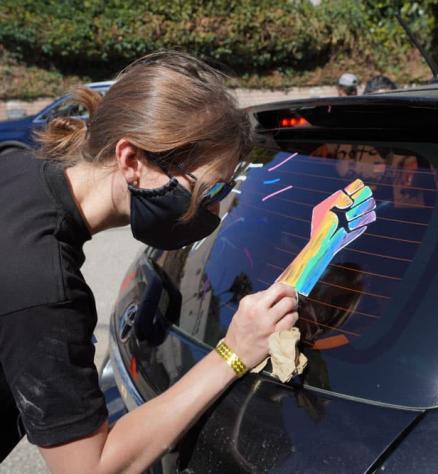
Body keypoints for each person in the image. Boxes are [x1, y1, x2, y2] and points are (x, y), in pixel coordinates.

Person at [0, 51, 299, 473]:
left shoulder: (15, 166)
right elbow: (88, 468)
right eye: (210, 193)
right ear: (132, 160)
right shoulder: (44, 286)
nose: (216, 213)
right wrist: (232, 353)